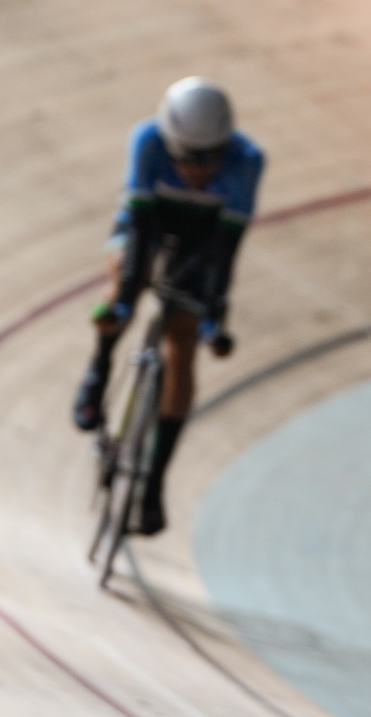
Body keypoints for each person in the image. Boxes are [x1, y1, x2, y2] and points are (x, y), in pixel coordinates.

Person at [72, 77, 264, 536]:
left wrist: (216, 316)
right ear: (168, 142)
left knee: (183, 337)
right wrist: (123, 300)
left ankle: (153, 482)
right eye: (186, 158)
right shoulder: (147, 141)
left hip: (203, 238)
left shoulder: (247, 160)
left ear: (225, 146)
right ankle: (97, 369)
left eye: (209, 158)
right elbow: (138, 229)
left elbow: (224, 250)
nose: (197, 169)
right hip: (150, 222)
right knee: (124, 276)